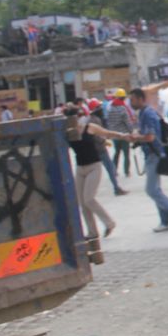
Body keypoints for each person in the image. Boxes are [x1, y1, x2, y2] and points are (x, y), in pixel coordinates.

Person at [64, 104, 131, 239]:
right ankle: (92, 232)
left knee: (89, 198)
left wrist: (124, 136)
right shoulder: (67, 133)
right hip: (80, 168)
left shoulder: (89, 128)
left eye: (77, 117)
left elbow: (107, 133)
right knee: (82, 202)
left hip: (94, 165)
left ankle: (109, 223)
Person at [129, 88, 168, 233]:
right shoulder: (144, 113)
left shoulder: (148, 114)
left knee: (151, 190)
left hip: (155, 154)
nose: (130, 102)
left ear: (141, 99)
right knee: (156, 189)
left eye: (132, 99)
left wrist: (137, 137)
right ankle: (165, 221)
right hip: (151, 154)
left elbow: (151, 137)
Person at [87, 100, 127, 196]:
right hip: (100, 149)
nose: (101, 109)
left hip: (95, 149)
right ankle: (116, 188)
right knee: (110, 168)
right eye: (99, 107)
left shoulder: (92, 119)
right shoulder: (95, 120)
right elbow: (96, 135)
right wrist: (103, 141)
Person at [106, 88, 135, 180]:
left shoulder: (110, 108)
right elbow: (127, 122)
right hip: (124, 135)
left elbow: (109, 122)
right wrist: (132, 132)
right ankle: (127, 171)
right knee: (126, 154)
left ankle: (114, 171)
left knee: (116, 153)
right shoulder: (123, 108)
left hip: (115, 135)